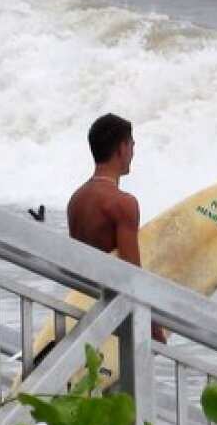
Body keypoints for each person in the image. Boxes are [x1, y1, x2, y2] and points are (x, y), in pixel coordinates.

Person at [67, 113, 166, 343]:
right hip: (115, 317)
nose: (133, 152)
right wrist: (153, 325)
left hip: (83, 311)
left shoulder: (77, 199)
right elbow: (131, 272)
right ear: (122, 148)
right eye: (132, 145)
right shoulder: (122, 203)